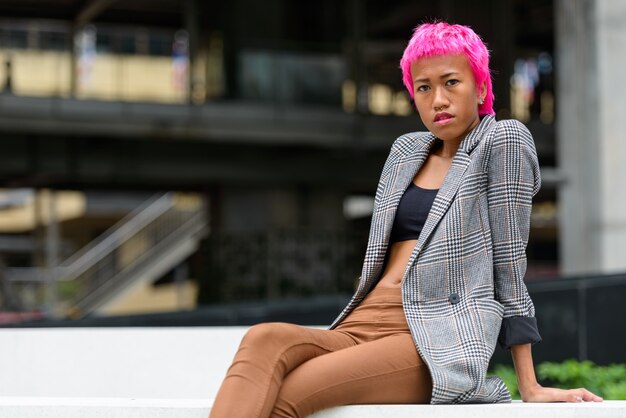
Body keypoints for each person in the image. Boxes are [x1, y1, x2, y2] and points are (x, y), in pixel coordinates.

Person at [209, 22, 603, 418]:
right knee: (263, 339)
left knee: (289, 396)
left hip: (433, 338)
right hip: (361, 323)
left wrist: (529, 386)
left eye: (452, 82)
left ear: (481, 88)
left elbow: (510, 263)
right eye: (424, 87)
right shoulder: (404, 152)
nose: (438, 100)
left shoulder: (503, 141)